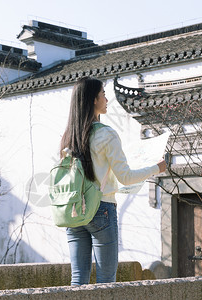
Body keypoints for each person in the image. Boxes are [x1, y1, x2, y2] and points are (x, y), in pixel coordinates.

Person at [60, 77, 166, 286]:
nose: (107, 99)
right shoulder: (106, 134)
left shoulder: (68, 137)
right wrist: (157, 168)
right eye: (103, 95)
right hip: (102, 208)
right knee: (106, 281)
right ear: (93, 100)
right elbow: (125, 177)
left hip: (74, 210)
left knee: (78, 278)